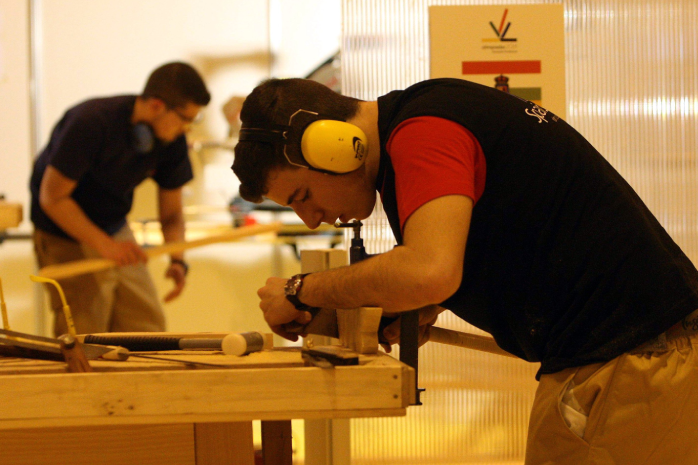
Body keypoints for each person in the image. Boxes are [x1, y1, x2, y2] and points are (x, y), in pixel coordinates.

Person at [231, 77, 698, 464]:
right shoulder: (434, 117)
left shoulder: (422, 133)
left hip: (633, 369)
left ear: (330, 147)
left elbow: (430, 270)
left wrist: (302, 289)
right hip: (642, 360)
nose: (310, 219)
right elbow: (505, 235)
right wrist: (415, 306)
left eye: (300, 197)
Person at [30, 61, 211, 337]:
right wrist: (105, 246)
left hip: (113, 225)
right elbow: (52, 198)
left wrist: (177, 259)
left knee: (146, 326)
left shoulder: (171, 140)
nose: (187, 128)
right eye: (185, 119)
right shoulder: (91, 122)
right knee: (84, 330)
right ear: (156, 106)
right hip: (61, 230)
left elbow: (172, 215)